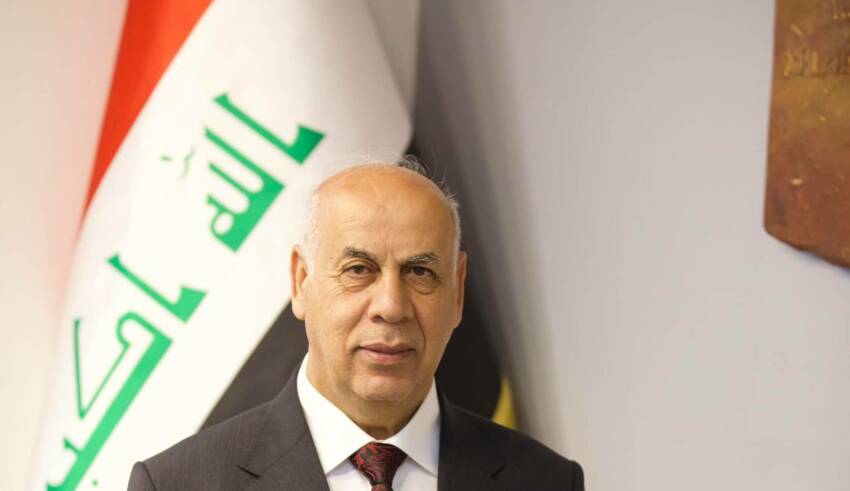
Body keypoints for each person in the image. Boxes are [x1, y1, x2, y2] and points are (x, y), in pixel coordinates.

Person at [128, 160, 584, 490]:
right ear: (301, 282)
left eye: (420, 272)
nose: (391, 306)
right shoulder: (177, 485)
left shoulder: (547, 482)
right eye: (358, 270)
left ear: (458, 291)